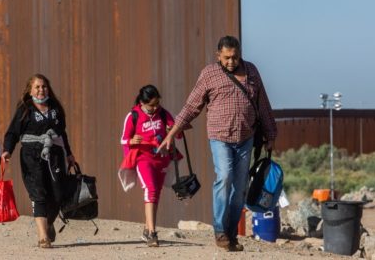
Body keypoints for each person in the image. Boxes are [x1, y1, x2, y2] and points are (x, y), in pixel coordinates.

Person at [158, 36, 277, 251]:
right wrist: (172, 132)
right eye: (227, 58)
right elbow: (192, 105)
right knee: (224, 177)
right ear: (218, 56)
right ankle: (220, 231)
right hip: (220, 137)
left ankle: (231, 234)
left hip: (245, 138)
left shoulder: (251, 71)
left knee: (240, 188)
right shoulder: (209, 74)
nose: (231, 62)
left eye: (235, 57)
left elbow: (263, 104)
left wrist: (270, 135)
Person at [1, 74, 75, 249]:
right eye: (37, 87)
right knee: (38, 193)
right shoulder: (25, 109)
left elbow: (62, 133)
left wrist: (69, 154)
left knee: (58, 195)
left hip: (54, 154)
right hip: (31, 156)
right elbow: (13, 132)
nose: (41, 90)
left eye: (44, 86)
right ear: (30, 90)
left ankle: (49, 224)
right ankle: (43, 237)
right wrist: (7, 150)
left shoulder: (56, 108)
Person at [118, 85, 179, 247]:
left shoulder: (164, 114)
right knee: (150, 189)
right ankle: (152, 233)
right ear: (142, 102)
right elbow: (123, 139)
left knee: (156, 193)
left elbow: (178, 133)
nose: (155, 107)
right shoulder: (133, 116)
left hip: (161, 158)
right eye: (151, 105)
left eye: (157, 103)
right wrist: (132, 141)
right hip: (143, 158)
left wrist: (172, 130)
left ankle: (147, 229)